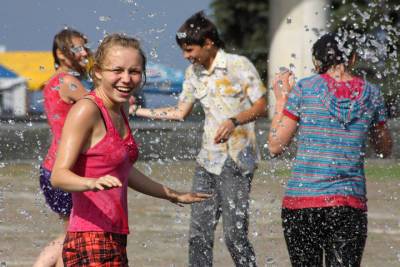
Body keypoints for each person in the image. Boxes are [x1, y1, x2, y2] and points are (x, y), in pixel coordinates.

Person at [50, 33, 209, 266]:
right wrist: (91, 183)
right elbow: (58, 175)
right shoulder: (87, 110)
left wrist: (171, 193)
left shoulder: (119, 109)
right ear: (97, 72)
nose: (126, 78)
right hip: (90, 238)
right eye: (117, 70)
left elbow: (124, 171)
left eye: (134, 71)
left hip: (114, 236)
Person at [133, 11, 266, 267]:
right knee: (198, 235)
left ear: (209, 43)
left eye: (190, 49)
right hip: (206, 163)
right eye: (183, 50)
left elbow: (262, 105)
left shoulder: (238, 65)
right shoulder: (192, 73)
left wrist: (234, 120)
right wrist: (136, 110)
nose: (186, 56)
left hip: (236, 161)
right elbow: (179, 112)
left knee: (234, 236)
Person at [268, 32, 393, 266]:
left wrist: (282, 98)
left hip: (303, 202)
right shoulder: (372, 94)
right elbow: (385, 148)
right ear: (353, 58)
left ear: (317, 62)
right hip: (348, 203)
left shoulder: (305, 88)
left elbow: (275, 146)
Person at [34, 28, 93, 267]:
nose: (84, 53)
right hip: (66, 171)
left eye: (85, 47)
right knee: (76, 234)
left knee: (71, 232)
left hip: (51, 169)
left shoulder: (53, 82)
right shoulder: (69, 83)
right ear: (60, 53)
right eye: (77, 48)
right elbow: (102, 109)